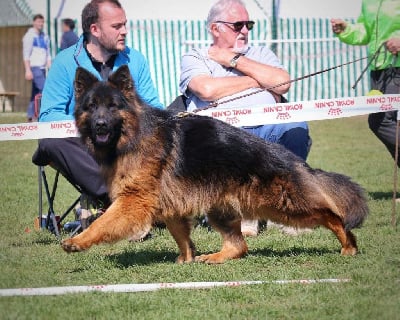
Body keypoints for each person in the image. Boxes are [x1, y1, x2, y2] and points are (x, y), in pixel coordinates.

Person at [179, 0, 311, 236]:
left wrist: (235, 61)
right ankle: (240, 213)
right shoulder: (196, 56)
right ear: (215, 29)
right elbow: (207, 90)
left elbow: (284, 83)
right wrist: (259, 81)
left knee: (296, 127)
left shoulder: (261, 53)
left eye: (249, 24)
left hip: (267, 129)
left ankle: (287, 210)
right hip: (223, 135)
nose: (245, 31)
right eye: (238, 25)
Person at [32, 0, 163, 235]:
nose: (124, 31)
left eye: (125, 24)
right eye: (117, 26)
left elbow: (153, 108)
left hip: (127, 148)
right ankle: (128, 205)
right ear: (95, 30)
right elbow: (49, 117)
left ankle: (139, 205)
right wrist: (91, 128)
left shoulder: (136, 60)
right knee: (51, 141)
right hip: (82, 146)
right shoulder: (64, 62)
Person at [331, 0, 400, 166]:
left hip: (397, 67)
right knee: (381, 122)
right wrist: (346, 29)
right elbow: (365, 32)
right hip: (379, 69)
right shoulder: (369, 2)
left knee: (381, 121)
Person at [22, 14, 51, 122]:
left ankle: (30, 116)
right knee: (45, 90)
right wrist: (27, 70)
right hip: (34, 67)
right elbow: (26, 54)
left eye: (42, 22)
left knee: (35, 93)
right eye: (39, 21)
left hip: (43, 68)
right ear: (34, 22)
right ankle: (43, 115)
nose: (41, 24)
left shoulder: (45, 36)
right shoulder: (29, 36)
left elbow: (47, 53)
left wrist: (49, 65)